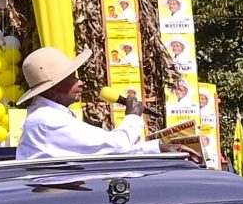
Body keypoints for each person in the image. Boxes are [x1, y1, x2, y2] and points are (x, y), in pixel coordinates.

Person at [14, 46, 151, 160]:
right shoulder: (47, 120)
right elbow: (117, 146)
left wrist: (156, 148)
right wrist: (132, 116)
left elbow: (103, 150)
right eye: (72, 78)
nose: (80, 83)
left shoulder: (49, 115)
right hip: (60, 191)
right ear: (54, 87)